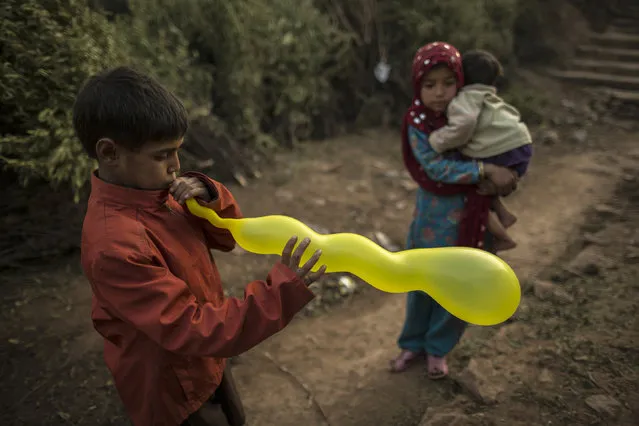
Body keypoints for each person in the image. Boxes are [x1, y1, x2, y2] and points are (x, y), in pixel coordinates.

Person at [74, 66, 327, 426]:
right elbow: (191, 328)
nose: (176, 167)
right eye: (163, 155)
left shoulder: (156, 194)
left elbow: (224, 236)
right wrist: (279, 293)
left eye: (177, 152)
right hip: (172, 387)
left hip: (207, 360)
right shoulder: (114, 246)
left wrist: (210, 196)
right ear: (109, 153)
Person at [389, 42, 521, 379]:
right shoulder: (418, 121)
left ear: (460, 82)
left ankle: (438, 350)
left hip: (469, 217)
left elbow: (503, 144)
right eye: (429, 84)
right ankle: (412, 343)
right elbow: (434, 166)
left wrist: (507, 173)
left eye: (448, 83)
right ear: (417, 85)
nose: (440, 93)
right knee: (420, 281)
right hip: (431, 219)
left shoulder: (473, 113)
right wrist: (483, 171)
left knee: (458, 284)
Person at [429, 49, 533, 251]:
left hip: (501, 149)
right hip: (520, 145)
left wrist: (437, 140)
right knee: (484, 186)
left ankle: (501, 236)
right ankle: (502, 213)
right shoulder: (487, 96)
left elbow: (464, 125)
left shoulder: (465, 99)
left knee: (470, 190)